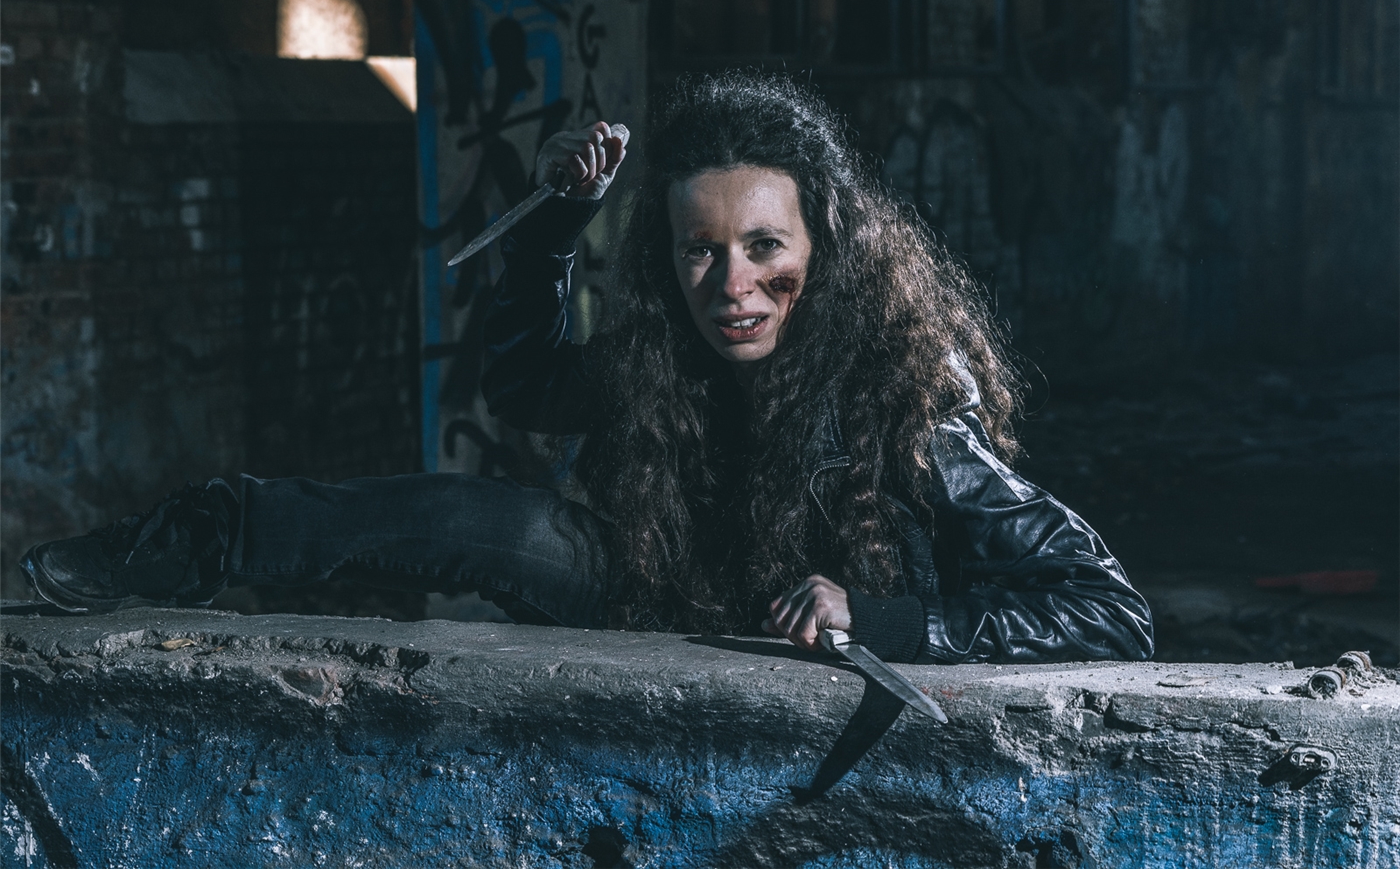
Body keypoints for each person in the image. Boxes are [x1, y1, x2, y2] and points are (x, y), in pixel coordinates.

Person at [21, 72, 1153, 664]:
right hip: (662, 596)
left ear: (827, 246)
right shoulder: (670, 353)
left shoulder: (907, 398)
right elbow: (521, 386)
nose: (733, 285)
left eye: (766, 247)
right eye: (700, 251)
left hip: (811, 643)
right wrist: (554, 229)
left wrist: (880, 618)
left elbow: (1106, 610)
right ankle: (199, 534)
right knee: (468, 515)